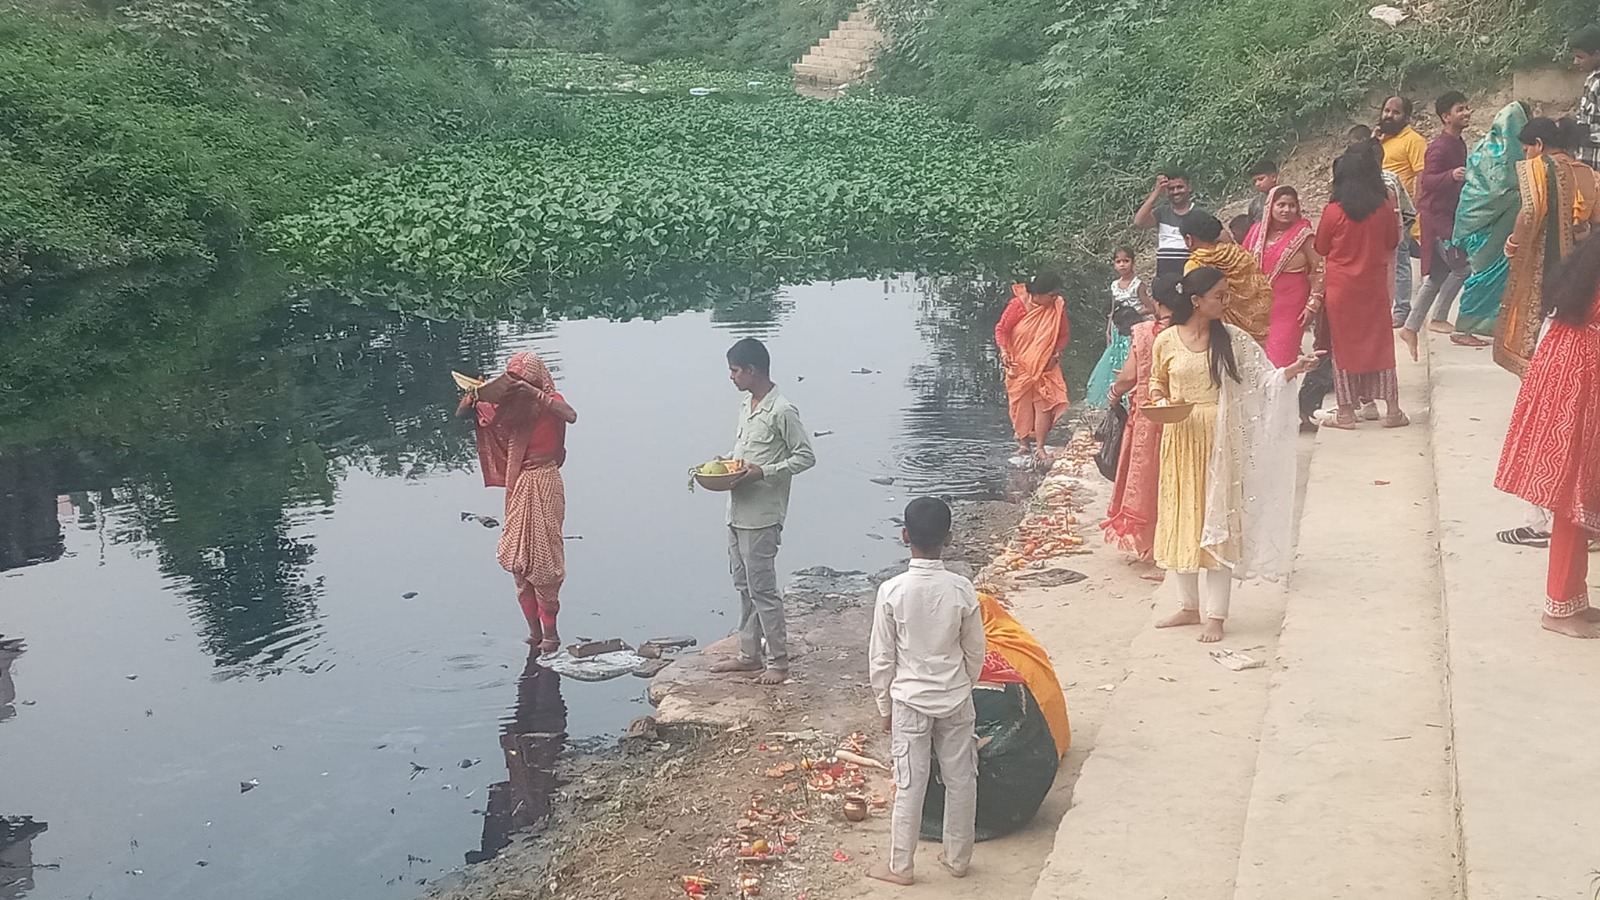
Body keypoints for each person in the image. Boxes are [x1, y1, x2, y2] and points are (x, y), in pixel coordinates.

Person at [1148, 267, 1318, 642]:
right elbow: (1156, 382)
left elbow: (1265, 379)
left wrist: (1294, 369)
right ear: (1196, 301)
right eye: (1220, 296)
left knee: (1219, 519)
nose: (1226, 302)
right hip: (1179, 437)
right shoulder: (1166, 341)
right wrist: (1161, 401)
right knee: (1183, 516)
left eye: (1226, 295)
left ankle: (1216, 615)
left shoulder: (1233, 340)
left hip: (1220, 438)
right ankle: (1188, 606)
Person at [867, 497, 984, 885]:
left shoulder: (892, 591)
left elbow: (881, 659)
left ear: (905, 536)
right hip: (954, 697)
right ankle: (958, 858)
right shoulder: (962, 589)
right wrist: (964, 684)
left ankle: (901, 866)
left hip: (909, 702)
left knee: (910, 784)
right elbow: (974, 650)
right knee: (961, 778)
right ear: (948, 538)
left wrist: (884, 706)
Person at [1494, 234, 1600, 638]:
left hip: (1568, 370)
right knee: (1574, 496)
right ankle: (1557, 608)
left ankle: (1572, 598)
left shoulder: (1589, 254)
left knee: (1578, 497)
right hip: (1580, 382)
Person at [711, 338, 816, 686]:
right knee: (744, 585)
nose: (732, 377)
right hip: (737, 510)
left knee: (763, 590)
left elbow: (805, 457)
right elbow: (746, 452)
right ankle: (748, 654)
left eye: (735, 370)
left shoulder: (782, 410)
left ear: (753, 371)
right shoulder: (747, 405)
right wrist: (727, 464)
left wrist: (763, 472)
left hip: (763, 515)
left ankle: (779, 662)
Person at [457, 351, 579, 654]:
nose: (518, 384)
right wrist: (474, 395)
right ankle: (534, 632)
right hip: (519, 482)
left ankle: (551, 634)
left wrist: (534, 394)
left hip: (545, 479)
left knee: (544, 561)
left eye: (523, 379)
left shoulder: (548, 399)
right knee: (519, 562)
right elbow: (463, 415)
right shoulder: (509, 405)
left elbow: (570, 415)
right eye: (514, 379)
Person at [1495, 117, 1600, 377]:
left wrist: (1513, 243)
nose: (1526, 155)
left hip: (1544, 265)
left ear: (1539, 145)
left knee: (1537, 329)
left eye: (1526, 149)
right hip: (1583, 271)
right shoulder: (1589, 173)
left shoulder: (1538, 168)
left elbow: (1529, 211)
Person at [1316, 145, 1407, 429]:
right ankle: (1392, 410)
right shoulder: (1384, 207)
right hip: (1374, 286)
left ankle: (1345, 412)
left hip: (1341, 289)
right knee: (1381, 346)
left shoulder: (1333, 211)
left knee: (1343, 349)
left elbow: (1320, 246)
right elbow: (1393, 241)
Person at [1101, 279, 1174, 561]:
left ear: (1155, 303)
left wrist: (1114, 391)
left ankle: (1152, 545)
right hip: (1185, 414)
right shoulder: (1192, 330)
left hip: (1148, 415)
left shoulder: (1146, 333)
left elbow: (1129, 377)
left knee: (1147, 479)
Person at [1400, 91, 1473, 359]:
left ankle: (1410, 327)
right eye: (1460, 109)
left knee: (1437, 277)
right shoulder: (1439, 147)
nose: (1466, 113)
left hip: (1450, 217)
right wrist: (1451, 175)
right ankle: (1439, 317)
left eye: (1467, 108)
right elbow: (1427, 182)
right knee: (1463, 267)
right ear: (1446, 117)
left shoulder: (1460, 144)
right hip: (1437, 219)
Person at [1452, 102, 1531, 343]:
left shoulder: (1483, 146)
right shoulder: (1509, 155)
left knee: (1490, 274)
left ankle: (1489, 325)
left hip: (1475, 219)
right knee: (1484, 275)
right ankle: (1464, 327)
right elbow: (1502, 189)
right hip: (1487, 224)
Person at [996, 272, 1072, 464]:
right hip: (1018, 365)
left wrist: (1056, 355)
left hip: (1045, 365)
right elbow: (1002, 330)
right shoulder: (1018, 306)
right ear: (1037, 295)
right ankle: (1023, 444)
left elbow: (1063, 335)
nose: (1055, 298)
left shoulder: (1057, 307)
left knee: (1044, 404)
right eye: (1051, 295)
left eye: (1056, 294)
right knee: (1021, 404)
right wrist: (1004, 352)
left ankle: (1039, 447)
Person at [1245, 185, 1324, 367]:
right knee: (1257, 362)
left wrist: (1313, 305)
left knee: (1281, 360)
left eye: (1291, 205)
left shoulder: (1304, 235)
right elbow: (1244, 265)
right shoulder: (1256, 232)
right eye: (1281, 205)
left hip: (1291, 308)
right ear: (1270, 207)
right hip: (1257, 307)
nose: (1286, 210)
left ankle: (1284, 395)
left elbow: (1319, 269)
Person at [1181, 211, 1272, 344]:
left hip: (1223, 333)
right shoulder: (1239, 253)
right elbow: (1259, 285)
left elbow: (1195, 307)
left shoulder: (1195, 265)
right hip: (1258, 326)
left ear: (1189, 239)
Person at [1378, 96, 1428, 326]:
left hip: (1400, 213)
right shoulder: (1380, 141)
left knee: (1400, 261)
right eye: (1386, 110)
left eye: (1395, 112)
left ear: (1406, 117)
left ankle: (1402, 309)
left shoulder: (1414, 141)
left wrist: (1415, 211)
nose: (1388, 115)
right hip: (1376, 211)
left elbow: (1421, 176)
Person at [1083, 247, 1152, 410]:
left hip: (1133, 327)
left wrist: (1133, 313)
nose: (1122, 265)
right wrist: (1109, 330)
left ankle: (1130, 395)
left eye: (1126, 261)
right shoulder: (1114, 285)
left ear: (1133, 262)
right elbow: (1112, 310)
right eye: (1118, 261)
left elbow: (1151, 307)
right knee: (1115, 357)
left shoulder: (1138, 285)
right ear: (1114, 264)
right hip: (1117, 328)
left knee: (1130, 357)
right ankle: (1113, 396)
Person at [1134, 171, 1210, 279]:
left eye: (1180, 187)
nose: (1176, 192)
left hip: (1193, 274)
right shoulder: (1162, 213)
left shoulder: (1201, 214)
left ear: (1189, 188)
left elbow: (1223, 239)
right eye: (1171, 189)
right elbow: (1139, 221)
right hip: (1166, 276)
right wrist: (1156, 192)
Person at [1572, 25, 1600, 172]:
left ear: (1597, 54)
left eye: (1580, 57)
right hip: (1588, 163)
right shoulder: (1592, 79)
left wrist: (1585, 134)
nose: (1575, 62)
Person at [1246, 159, 1280, 226]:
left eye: (1261, 179)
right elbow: (1251, 228)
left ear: (1273, 177)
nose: (1257, 184)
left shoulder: (1286, 196)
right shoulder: (1254, 204)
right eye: (1255, 181)